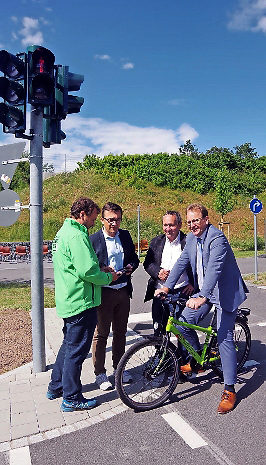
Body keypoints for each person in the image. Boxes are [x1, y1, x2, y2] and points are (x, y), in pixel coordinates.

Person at [155, 203, 248, 414]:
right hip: (204, 292)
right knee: (184, 323)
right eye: (188, 222)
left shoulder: (217, 239)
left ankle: (230, 388)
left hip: (224, 293)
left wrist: (203, 297)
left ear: (206, 219)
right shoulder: (191, 239)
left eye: (196, 220)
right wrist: (167, 286)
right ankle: (198, 360)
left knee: (224, 337)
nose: (192, 225)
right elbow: (181, 263)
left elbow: (214, 269)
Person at [46, 197, 118, 412]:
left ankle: (56, 386)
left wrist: (99, 268)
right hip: (81, 301)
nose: (94, 222)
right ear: (83, 214)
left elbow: (79, 265)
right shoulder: (77, 235)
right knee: (76, 352)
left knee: (68, 345)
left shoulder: (63, 233)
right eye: (94, 217)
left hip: (69, 298)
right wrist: (108, 278)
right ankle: (71, 397)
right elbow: (86, 272)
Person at [90, 202, 139, 390]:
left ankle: (119, 369)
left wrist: (130, 267)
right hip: (104, 292)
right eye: (110, 220)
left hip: (123, 290)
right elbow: (89, 266)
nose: (114, 224)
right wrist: (101, 269)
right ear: (102, 220)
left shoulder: (125, 236)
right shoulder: (93, 239)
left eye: (118, 220)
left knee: (120, 333)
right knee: (101, 334)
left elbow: (134, 258)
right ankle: (100, 374)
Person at [143, 210, 194, 336]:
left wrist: (193, 283)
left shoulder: (188, 242)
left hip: (180, 291)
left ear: (180, 225)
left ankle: (183, 355)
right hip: (159, 291)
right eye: (165, 225)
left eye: (171, 225)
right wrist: (157, 272)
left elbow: (197, 266)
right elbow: (147, 263)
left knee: (181, 331)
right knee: (158, 329)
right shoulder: (156, 241)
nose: (168, 229)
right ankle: (161, 355)